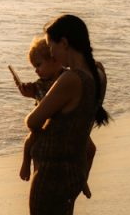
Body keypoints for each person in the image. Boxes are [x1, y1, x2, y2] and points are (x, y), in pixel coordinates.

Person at [24, 14, 109, 215]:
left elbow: (34, 120)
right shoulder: (96, 73)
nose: (50, 53)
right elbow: (80, 124)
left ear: (64, 42)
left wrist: (39, 100)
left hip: (53, 172)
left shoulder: (71, 79)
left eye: (51, 46)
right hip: (71, 169)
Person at [16, 36, 97, 197]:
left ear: (54, 60)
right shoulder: (39, 84)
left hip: (68, 125)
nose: (36, 71)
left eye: (39, 65)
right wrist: (30, 94)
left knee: (90, 149)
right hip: (46, 125)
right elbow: (42, 103)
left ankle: (82, 179)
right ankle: (25, 162)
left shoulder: (68, 77)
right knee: (30, 140)